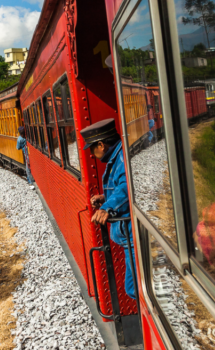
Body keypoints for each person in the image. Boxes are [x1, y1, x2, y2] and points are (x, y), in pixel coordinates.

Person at [82, 118, 136, 300]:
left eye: (92, 148)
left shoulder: (121, 158)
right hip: (129, 238)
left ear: (101, 145)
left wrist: (108, 207)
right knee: (133, 288)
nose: (91, 153)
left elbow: (127, 186)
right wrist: (106, 197)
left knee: (134, 289)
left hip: (133, 238)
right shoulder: (118, 155)